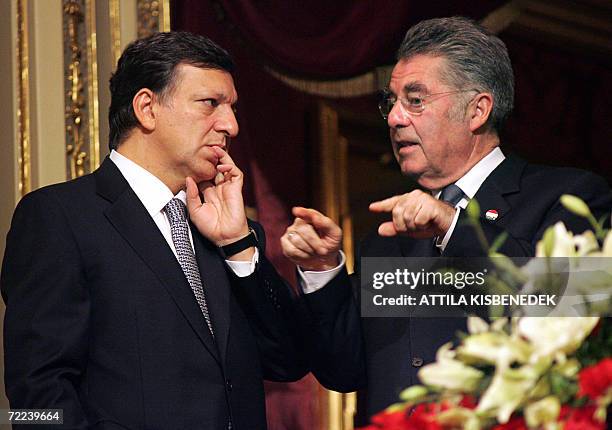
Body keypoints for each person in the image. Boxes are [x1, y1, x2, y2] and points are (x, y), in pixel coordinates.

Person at [1, 32, 363, 429]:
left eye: (232, 108)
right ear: (147, 108)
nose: (231, 125)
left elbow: (289, 361)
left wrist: (238, 245)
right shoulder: (58, 216)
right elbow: (35, 395)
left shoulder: (231, 231)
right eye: (211, 103)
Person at [280, 16, 612, 419]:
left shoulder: (569, 197)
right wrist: (321, 270)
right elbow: (344, 370)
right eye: (391, 102)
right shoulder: (387, 238)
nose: (394, 118)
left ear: (477, 110)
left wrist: (455, 227)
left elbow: (568, 306)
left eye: (415, 100)